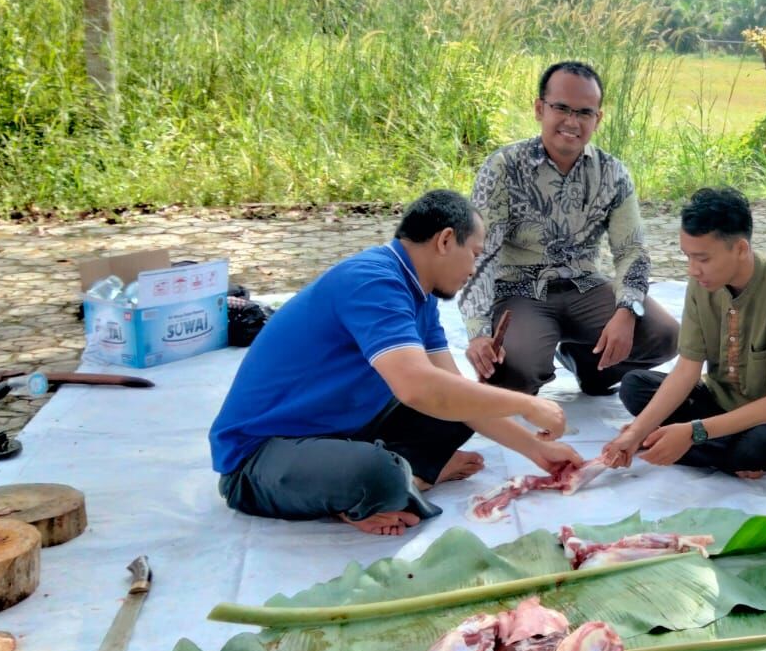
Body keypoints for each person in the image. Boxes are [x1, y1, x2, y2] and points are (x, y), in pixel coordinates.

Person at [209, 190, 581, 536]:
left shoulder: (420, 296)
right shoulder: (372, 281)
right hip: (259, 456)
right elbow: (417, 387)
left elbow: (449, 387)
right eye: (474, 253)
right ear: (445, 240)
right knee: (379, 474)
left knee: (460, 404)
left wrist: (538, 450)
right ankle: (392, 482)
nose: (474, 269)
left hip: (338, 429)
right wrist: (527, 405)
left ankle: (399, 477)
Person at [461, 60, 679, 397]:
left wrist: (627, 311)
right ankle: (532, 362)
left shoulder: (612, 173)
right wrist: (477, 333)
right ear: (540, 109)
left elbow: (631, 250)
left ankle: (591, 367)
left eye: (584, 112)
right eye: (561, 108)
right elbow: (480, 254)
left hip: (586, 286)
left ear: (598, 118)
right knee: (510, 371)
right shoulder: (503, 167)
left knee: (665, 336)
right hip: (519, 291)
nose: (572, 122)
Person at [601, 187, 766, 479]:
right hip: (722, 402)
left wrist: (694, 431)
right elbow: (687, 370)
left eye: (703, 259)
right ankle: (715, 450)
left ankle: (706, 447)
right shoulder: (703, 283)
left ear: (740, 249)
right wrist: (636, 432)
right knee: (634, 386)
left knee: (759, 446)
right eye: (688, 257)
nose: (693, 270)